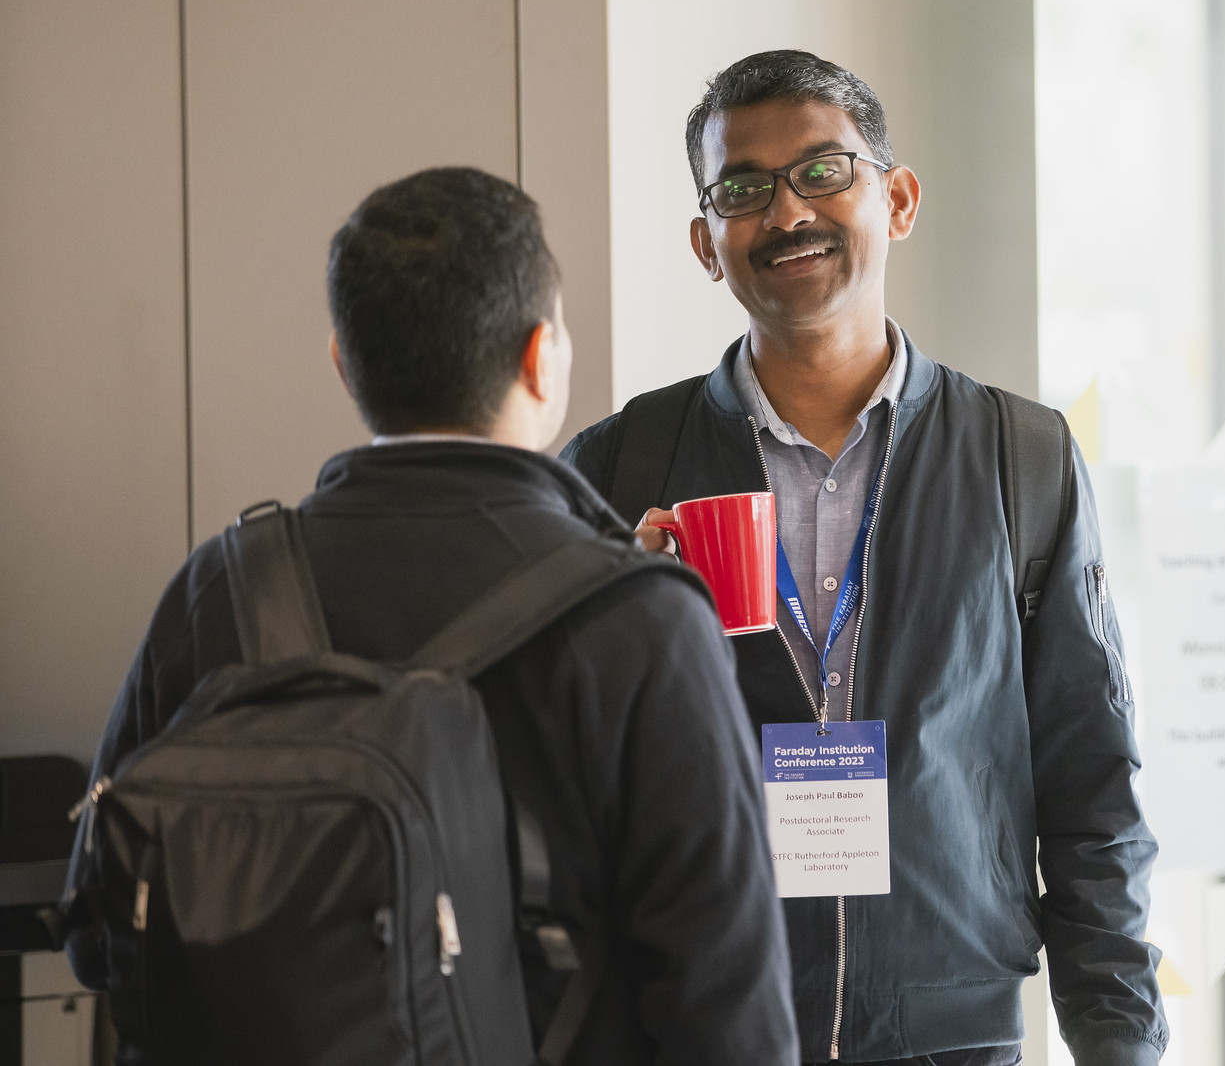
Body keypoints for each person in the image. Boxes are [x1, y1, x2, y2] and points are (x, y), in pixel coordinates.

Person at [68, 167, 798, 1064]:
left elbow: (99, 935)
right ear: (541, 355)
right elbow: (725, 1002)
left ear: (344, 361)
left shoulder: (224, 585)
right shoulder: (642, 621)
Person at [561, 51, 1167, 1066]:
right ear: (706, 243)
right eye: (741, 189)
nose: (786, 211)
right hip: (703, 1031)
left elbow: (1089, 781)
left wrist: (1118, 1043)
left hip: (954, 1036)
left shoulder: (1018, 456)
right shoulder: (621, 466)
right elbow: (564, 782)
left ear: (896, 197)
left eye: (822, 170)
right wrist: (619, 616)